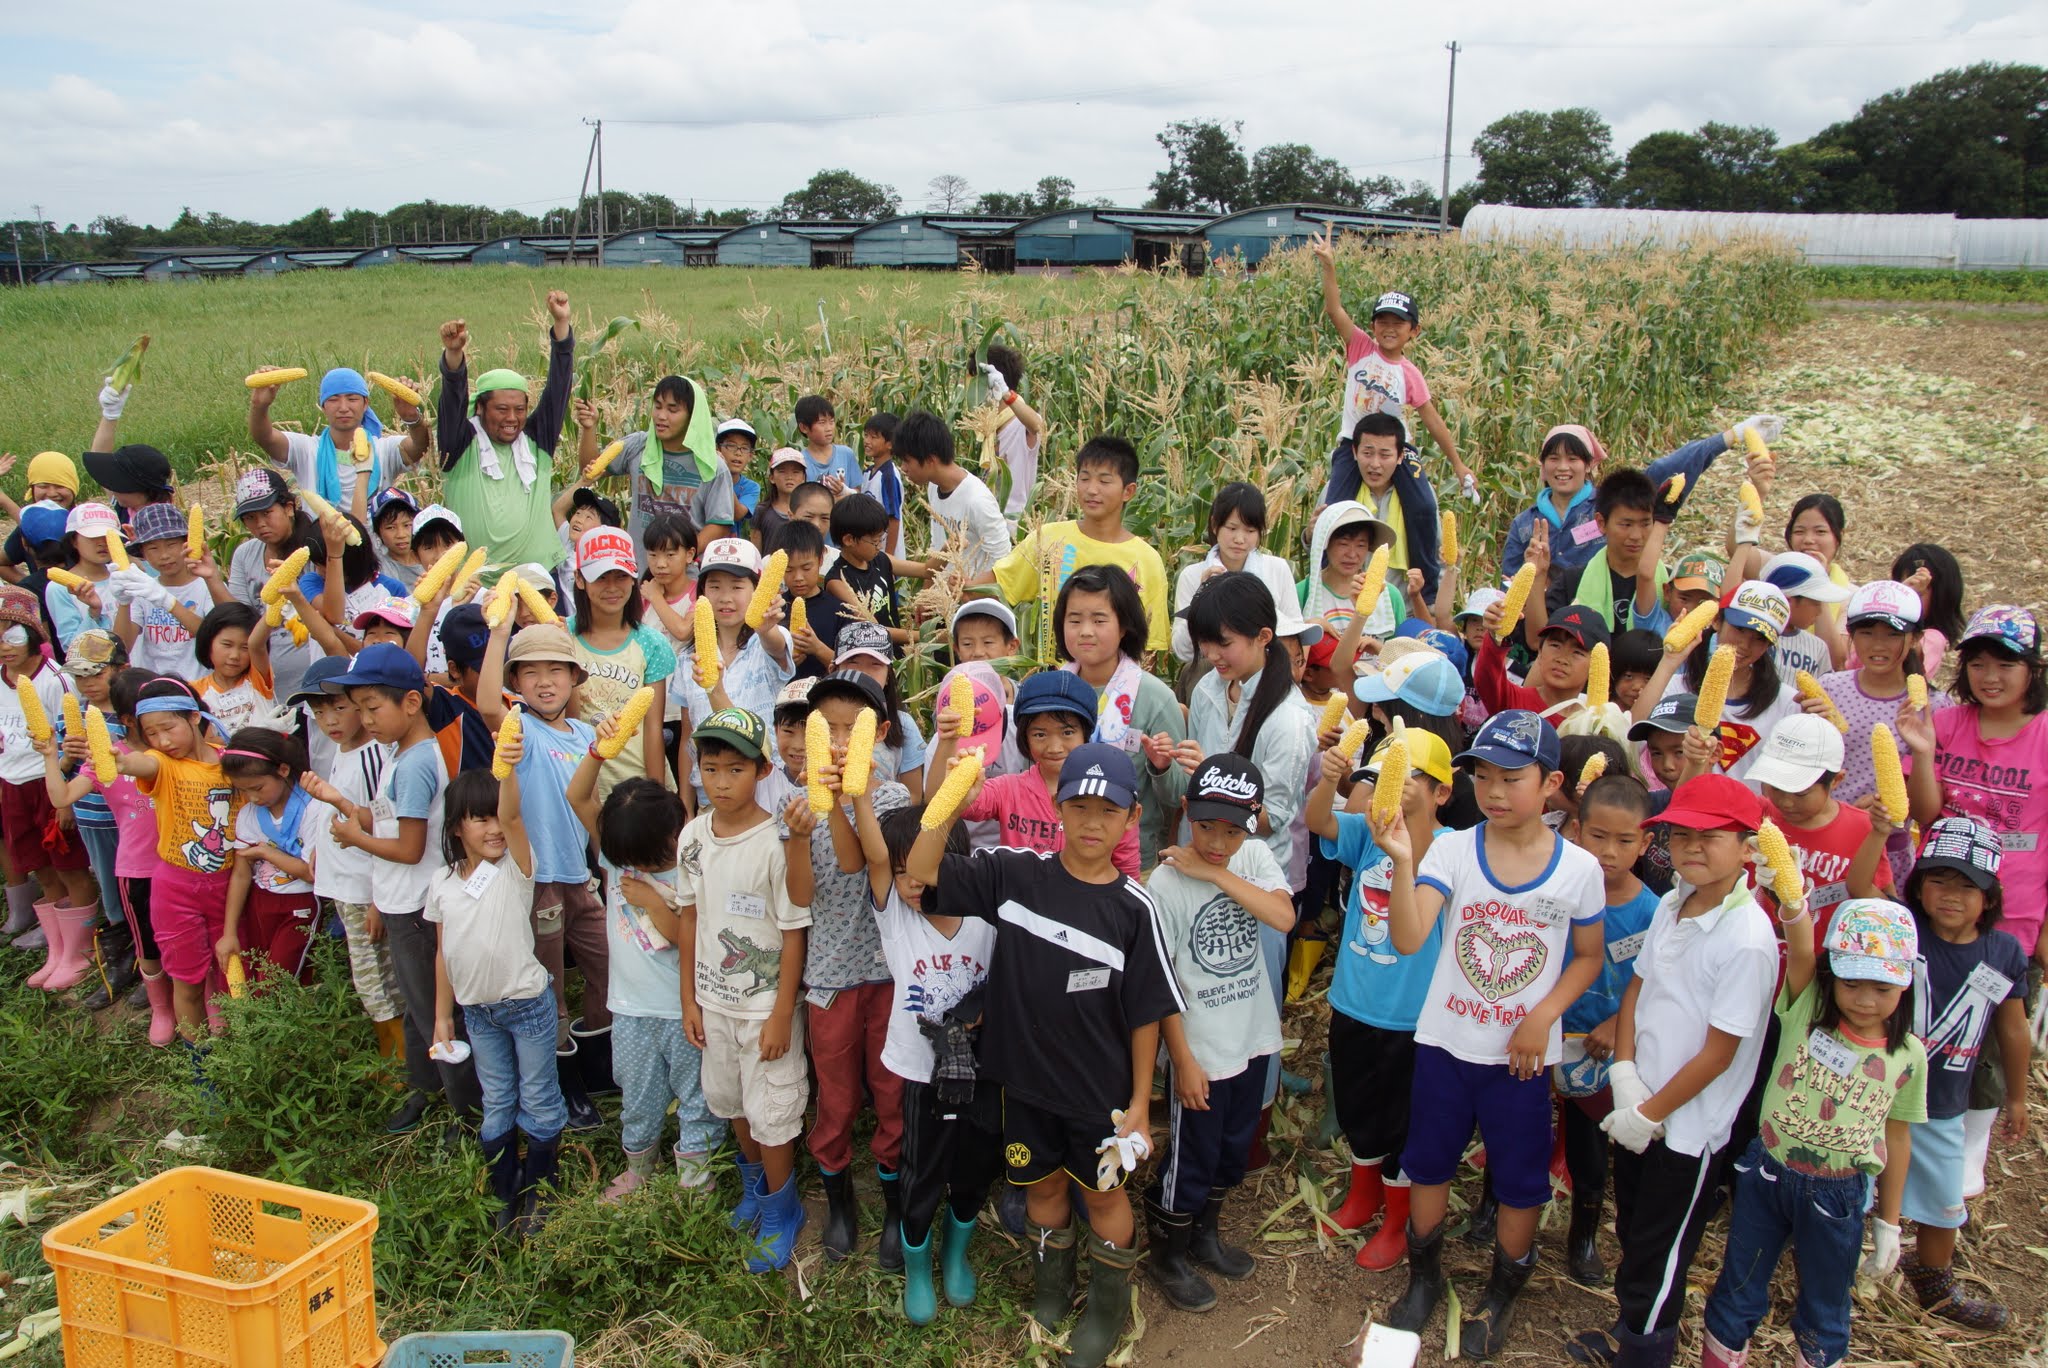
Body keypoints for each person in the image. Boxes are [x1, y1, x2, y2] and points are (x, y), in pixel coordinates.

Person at [905, 744, 1184, 1368]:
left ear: (1130, 817)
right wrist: (944, 806)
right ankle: (1052, 1289)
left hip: (1099, 1096)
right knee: (1041, 1185)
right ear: (1056, 809)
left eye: (1107, 811)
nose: (1091, 823)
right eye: (1078, 807)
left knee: (1105, 1198)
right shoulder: (1015, 874)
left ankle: (1106, 1311)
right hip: (1022, 1083)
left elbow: (1147, 1017)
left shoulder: (1135, 910)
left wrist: (1140, 1104)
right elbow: (923, 875)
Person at [1372, 710, 1607, 1360]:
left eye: (1511, 777)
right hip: (1446, 1046)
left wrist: (1543, 1015)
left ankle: (1501, 1295)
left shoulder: (1579, 870)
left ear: (1552, 781)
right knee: (1427, 1163)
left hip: (1522, 1063)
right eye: (1482, 775)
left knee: (1520, 1179)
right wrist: (1400, 862)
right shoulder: (1450, 850)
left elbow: (1587, 956)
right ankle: (1424, 1278)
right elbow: (1411, 937)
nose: (1494, 791)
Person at [1566, 775, 1778, 1368]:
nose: (1692, 848)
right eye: (1681, 835)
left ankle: (1644, 1351)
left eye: (1711, 837)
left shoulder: (1747, 938)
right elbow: (1638, 986)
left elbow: (1720, 1053)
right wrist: (1628, 1075)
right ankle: (1632, 1329)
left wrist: (1650, 1111)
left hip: (1685, 1129)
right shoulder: (1671, 902)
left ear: (1748, 848)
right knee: (1634, 1229)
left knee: (1660, 1254)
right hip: (1640, 1103)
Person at [1699, 899, 1925, 1368]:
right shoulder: (1807, 1010)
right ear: (1829, 977)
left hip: (1839, 1193)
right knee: (1738, 1286)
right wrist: (1794, 905)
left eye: (1882, 988)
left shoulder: (1909, 1056)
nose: (1864, 999)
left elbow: (1898, 1137)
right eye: (1851, 983)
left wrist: (1888, 1222)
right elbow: (1800, 950)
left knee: (1825, 1306)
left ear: (1905, 984)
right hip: (1768, 1173)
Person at [829, 788, 992, 1324]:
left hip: (980, 1074)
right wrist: (854, 799)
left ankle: (955, 1254)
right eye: (903, 873)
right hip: (922, 1077)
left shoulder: (987, 923)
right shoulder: (897, 919)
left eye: (925, 867)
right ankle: (919, 1266)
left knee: (972, 1171)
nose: (914, 882)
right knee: (921, 1173)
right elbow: (875, 856)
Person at [1144, 755, 1295, 1313]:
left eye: (1231, 830)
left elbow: (1282, 917)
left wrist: (1215, 873)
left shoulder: (1249, 857)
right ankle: (1169, 1252)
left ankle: (1205, 1233)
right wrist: (1180, 1059)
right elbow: (1161, 982)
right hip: (1202, 1050)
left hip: (1252, 1038)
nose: (1215, 840)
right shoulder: (1165, 884)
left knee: (1233, 1150)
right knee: (1191, 1157)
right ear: (1186, 811)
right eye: (1205, 827)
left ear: (1251, 825)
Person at [1913, 605, 2048, 1198]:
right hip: (1939, 904)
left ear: (2032, 670)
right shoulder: (1949, 723)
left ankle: (1969, 1148)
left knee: (1989, 1042)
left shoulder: (2044, 735)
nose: (1990, 676)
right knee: (1927, 1023)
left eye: (2006, 665)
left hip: (2011, 919)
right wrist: (1920, 753)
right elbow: (1925, 813)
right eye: (1979, 664)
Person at [1309, 726, 1455, 1268]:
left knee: (1402, 1121)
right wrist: (1329, 780)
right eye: (1390, 771)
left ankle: (1396, 1220)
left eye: (1411, 773)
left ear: (1442, 791)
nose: (1398, 784)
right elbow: (1319, 822)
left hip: (1411, 1018)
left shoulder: (1449, 852)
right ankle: (1363, 1194)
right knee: (1356, 1105)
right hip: (1354, 999)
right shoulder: (1369, 833)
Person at [676, 707, 816, 1273]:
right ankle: (756, 1191)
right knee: (733, 1104)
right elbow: (689, 918)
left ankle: (785, 1211)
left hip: (764, 1010)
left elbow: (792, 932)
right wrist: (689, 998)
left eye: (735, 770)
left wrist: (783, 1014)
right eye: (711, 770)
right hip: (713, 1004)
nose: (721, 782)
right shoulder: (692, 837)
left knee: (772, 1112)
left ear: (762, 771)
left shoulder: (774, 842)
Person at [324, 644, 479, 1133]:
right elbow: (391, 819)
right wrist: (348, 809)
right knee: (417, 1006)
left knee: (437, 1010)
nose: (364, 719)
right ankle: (425, 1088)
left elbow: (410, 848)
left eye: (373, 707)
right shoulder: (400, 754)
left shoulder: (414, 763)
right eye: (360, 709)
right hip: (399, 901)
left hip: (416, 905)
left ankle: (464, 1109)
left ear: (411, 703)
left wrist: (356, 838)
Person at [565, 732, 723, 1199]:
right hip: (631, 1008)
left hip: (684, 1010)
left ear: (679, 830)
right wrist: (597, 752)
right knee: (637, 1092)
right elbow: (578, 796)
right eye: (639, 862)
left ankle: (696, 1176)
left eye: (657, 858)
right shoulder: (619, 857)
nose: (651, 866)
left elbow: (687, 939)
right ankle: (639, 1166)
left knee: (697, 1096)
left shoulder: (694, 864)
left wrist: (655, 902)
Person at [793, 670, 913, 1266]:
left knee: (891, 1094)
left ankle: (894, 1207)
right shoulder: (799, 808)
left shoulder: (890, 799)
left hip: (889, 974)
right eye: (827, 730)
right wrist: (807, 823)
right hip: (831, 977)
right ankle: (840, 1201)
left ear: (879, 734)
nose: (839, 742)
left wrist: (849, 797)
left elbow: (862, 861)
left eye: (851, 729)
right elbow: (804, 888)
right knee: (835, 1098)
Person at [1894, 818, 2031, 1329]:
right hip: (1879, 1094)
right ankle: (1836, 1271)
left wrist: (2015, 1098)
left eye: (1966, 886)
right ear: (1919, 885)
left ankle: (1934, 1281)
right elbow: (1864, 887)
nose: (1950, 895)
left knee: (1943, 1199)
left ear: (1990, 897)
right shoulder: (1903, 930)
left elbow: (2013, 1032)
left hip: (1946, 1101)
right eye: (1939, 881)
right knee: (1857, 1187)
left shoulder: (2003, 953)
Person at [428, 761, 565, 1236]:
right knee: (498, 1101)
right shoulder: (443, 882)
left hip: (527, 1006)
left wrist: (506, 763)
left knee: (539, 1096)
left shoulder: (516, 867)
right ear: (454, 827)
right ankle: (506, 1191)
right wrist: (442, 1015)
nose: (492, 827)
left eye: (496, 816)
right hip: (477, 1014)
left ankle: (542, 1188)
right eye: (478, 818)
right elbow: (444, 951)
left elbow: (513, 820)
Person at [473, 622, 604, 1120]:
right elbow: (488, 703)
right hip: (537, 879)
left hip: (580, 876)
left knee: (608, 965)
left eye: (556, 671)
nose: (545, 683)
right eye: (530, 674)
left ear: (574, 678)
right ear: (516, 683)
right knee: (547, 983)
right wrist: (499, 630)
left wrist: (606, 865)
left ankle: (599, 1063)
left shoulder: (587, 735)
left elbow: (589, 802)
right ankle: (564, 1084)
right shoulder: (518, 728)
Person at [1500, 417, 1779, 583]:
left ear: (1589, 466)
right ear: (1543, 467)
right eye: (1553, 459)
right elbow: (1509, 582)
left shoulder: (1611, 504)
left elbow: (1667, 468)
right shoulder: (1525, 524)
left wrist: (1731, 436)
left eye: (1573, 459)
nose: (1563, 467)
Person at [115, 679, 242, 1043]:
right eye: (151, 733)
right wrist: (120, 760)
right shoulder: (163, 764)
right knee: (186, 980)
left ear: (193, 717)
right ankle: (201, 1064)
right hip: (176, 888)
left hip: (229, 887)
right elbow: (140, 762)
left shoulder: (230, 763)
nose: (163, 741)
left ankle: (242, 1058)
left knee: (234, 974)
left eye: (168, 728)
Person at [1309, 229, 1473, 502]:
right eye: (1383, 322)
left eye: (1398, 324)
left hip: (1396, 447)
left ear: (1414, 330)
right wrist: (1329, 267)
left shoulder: (1409, 373)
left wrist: (1458, 464)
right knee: (1335, 506)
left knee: (1422, 506)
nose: (1389, 329)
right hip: (1354, 442)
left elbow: (1432, 420)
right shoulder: (1361, 347)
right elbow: (1334, 310)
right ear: (1373, 325)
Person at [294, 657, 404, 1064]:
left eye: (339, 707)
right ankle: (390, 1054)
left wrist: (378, 899)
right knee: (367, 976)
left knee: (379, 980)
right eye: (318, 712)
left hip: (365, 891)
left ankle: (399, 1063)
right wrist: (319, 850)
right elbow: (334, 812)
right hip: (344, 885)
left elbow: (383, 825)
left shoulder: (376, 756)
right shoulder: (342, 751)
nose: (329, 720)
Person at [929, 669, 1139, 878]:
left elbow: (1126, 867)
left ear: (1086, 733)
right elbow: (946, 802)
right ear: (1025, 738)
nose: (1055, 747)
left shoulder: (1110, 794)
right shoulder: (1008, 790)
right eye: (1040, 734)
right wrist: (948, 741)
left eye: (1067, 732)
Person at [433, 294, 576, 573]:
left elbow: (559, 388)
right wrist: (454, 356)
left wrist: (562, 323)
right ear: (481, 409)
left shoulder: (537, 441)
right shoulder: (461, 444)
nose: (512, 418)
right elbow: (453, 401)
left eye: (520, 409)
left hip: (539, 581)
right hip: (476, 585)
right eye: (501, 409)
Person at [1054, 565, 1186, 867]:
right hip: (1056, 853)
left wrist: (1162, 767)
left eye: (1099, 620)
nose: (1085, 631)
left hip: (1130, 862)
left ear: (1124, 626)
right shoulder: (1051, 692)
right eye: (1074, 620)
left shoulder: (1155, 698)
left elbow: (1178, 796)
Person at [991, 436, 1170, 656]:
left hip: (1118, 687)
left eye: (1104, 481)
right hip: (1055, 682)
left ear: (1128, 491)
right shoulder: (1047, 539)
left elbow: (1149, 649)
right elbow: (993, 589)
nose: (1091, 490)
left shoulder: (1147, 560)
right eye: (1084, 479)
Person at [0, 589, 96, 983]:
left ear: (31, 633)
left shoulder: (57, 680)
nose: (4, 646)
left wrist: (64, 799)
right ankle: (58, 946)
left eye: (12, 635)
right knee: (38, 864)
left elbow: (73, 740)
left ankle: (83, 950)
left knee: (69, 864)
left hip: (49, 782)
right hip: (13, 782)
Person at [1633, 581, 1799, 785]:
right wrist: (1669, 661)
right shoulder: (1679, 686)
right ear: (1717, 621)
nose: (1745, 645)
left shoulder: (1787, 701)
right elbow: (1635, 732)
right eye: (1739, 629)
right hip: (1686, 806)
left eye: (1760, 639)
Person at [672, 538, 796, 804]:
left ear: (757, 589)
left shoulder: (768, 641)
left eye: (737, 587)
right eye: (714, 586)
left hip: (764, 789)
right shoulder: (687, 659)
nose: (725, 598)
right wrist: (685, 804)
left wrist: (765, 629)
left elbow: (776, 647)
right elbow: (687, 737)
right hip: (709, 793)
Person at [1749, 715, 1893, 933]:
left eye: (1801, 793)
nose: (1786, 802)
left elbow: (1886, 901)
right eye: (1776, 788)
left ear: (1836, 780)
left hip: (1825, 958)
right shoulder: (1757, 812)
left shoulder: (1864, 828)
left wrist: (1880, 833)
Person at [574, 376, 736, 556]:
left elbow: (719, 524)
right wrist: (589, 429)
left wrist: (680, 557)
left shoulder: (712, 466)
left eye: (672, 410)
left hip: (685, 577)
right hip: (638, 571)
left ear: (692, 417)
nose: (661, 416)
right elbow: (590, 471)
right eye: (657, 406)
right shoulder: (637, 446)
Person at [216, 728, 324, 988]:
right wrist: (229, 932)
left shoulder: (314, 809)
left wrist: (266, 852)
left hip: (300, 902)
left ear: (283, 770)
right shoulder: (248, 815)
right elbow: (241, 873)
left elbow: (312, 874)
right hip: (261, 903)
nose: (252, 798)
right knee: (259, 974)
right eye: (242, 791)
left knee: (276, 982)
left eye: (257, 788)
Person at [247, 366, 429, 519]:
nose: (343, 408)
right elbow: (265, 437)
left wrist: (411, 417)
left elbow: (419, 447)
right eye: (333, 400)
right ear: (323, 406)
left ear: (365, 404)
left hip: (375, 552)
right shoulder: (307, 450)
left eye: (352, 399)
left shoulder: (383, 449)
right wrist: (259, 406)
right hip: (323, 552)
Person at [1171, 483, 1302, 665]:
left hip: (1266, 672)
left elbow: (1293, 636)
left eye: (1250, 531)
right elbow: (1182, 651)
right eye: (1232, 528)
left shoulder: (1277, 569)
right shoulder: (1192, 576)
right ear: (1215, 525)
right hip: (1212, 670)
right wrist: (1200, 599)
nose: (1239, 539)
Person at [107, 500, 226, 682]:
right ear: (143, 553)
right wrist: (124, 602)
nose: (164, 555)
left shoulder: (205, 586)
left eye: (171, 544)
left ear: (186, 543)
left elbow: (213, 639)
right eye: (153, 548)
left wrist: (168, 602)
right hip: (156, 690)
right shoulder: (143, 590)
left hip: (201, 686)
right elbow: (122, 648)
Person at [891, 411, 1012, 589]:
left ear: (931, 460)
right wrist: (927, 594)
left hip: (970, 602)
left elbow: (1003, 559)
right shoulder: (934, 486)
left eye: (907, 461)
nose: (903, 468)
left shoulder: (977, 500)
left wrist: (970, 588)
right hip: (945, 599)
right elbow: (937, 548)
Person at [1477, 601, 1609, 719]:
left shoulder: (1594, 724)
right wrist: (1496, 634)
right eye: (1555, 645)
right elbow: (1487, 676)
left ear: (1596, 666)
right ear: (1540, 652)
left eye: (1577, 652)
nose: (1562, 659)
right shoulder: (1514, 701)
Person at [1300, 502, 1398, 642]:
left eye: (1360, 545)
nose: (1352, 554)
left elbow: (1399, 653)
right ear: (1325, 543)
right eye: (1343, 544)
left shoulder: (1389, 596)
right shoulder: (1303, 592)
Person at [824, 493, 906, 650]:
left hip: (896, 654)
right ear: (849, 540)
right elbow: (874, 629)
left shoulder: (880, 559)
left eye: (881, 539)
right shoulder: (838, 582)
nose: (880, 546)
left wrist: (948, 547)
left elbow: (926, 569)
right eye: (875, 541)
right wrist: (922, 636)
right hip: (871, 656)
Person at [977, 345, 1048, 521]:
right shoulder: (989, 426)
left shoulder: (1019, 423)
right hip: (989, 520)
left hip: (1013, 524)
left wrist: (1007, 394)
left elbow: (1037, 425)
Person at [43, 502, 122, 653]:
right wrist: (94, 613)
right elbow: (71, 646)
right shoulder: (59, 588)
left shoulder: (126, 577)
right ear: (73, 541)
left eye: (108, 536)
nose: (102, 543)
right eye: (93, 537)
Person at [774, 520, 846, 681]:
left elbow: (851, 669)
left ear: (820, 559)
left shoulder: (839, 610)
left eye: (806, 568)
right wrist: (782, 663)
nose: (798, 578)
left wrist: (817, 648)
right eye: (789, 569)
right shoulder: (774, 611)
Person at [1760, 551, 1849, 678]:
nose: (1820, 612)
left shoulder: (1817, 647)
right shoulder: (1751, 638)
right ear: (1787, 601)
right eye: (1816, 603)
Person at [859, 412, 905, 560]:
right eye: (866, 435)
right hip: (871, 553)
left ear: (890, 443)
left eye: (874, 437)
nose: (867, 441)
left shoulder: (888, 477)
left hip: (886, 554)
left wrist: (889, 558)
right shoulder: (867, 473)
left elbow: (893, 519)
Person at [753, 447, 808, 550]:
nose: (789, 477)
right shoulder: (762, 511)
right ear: (772, 478)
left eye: (795, 472)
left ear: (803, 478)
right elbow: (756, 552)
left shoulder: (809, 511)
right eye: (782, 471)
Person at [716, 420, 761, 542]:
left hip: (731, 548)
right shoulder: (705, 480)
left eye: (744, 448)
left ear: (750, 456)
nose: (738, 453)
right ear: (718, 449)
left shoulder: (751, 487)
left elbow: (737, 514)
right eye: (731, 446)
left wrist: (723, 473)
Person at [369, 489, 421, 592]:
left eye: (407, 525)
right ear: (378, 533)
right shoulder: (381, 565)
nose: (401, 535)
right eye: (390, 527)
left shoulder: (430, 557)